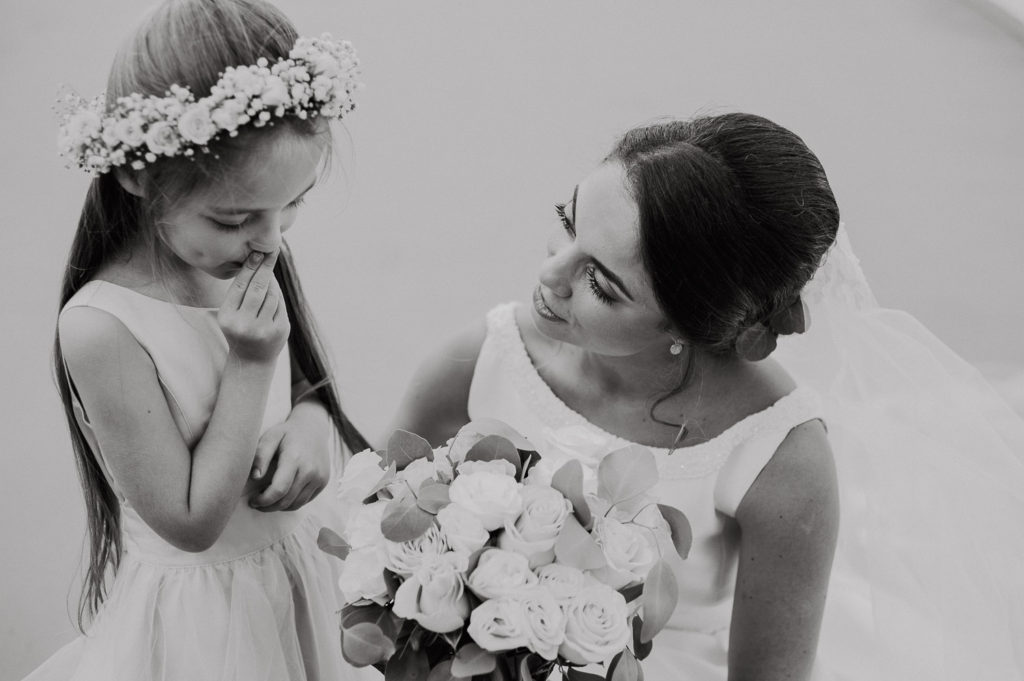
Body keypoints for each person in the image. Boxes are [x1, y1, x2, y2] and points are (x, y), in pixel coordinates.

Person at [390, 113, 1024, 680]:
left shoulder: (781, 456)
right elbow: (383, 524)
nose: (550, 275)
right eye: (568, 223)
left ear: (691, 328)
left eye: (603, 285)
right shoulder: (490, 356)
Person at [28, 1, 373, 679]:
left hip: (304, 576)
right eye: (236, 216)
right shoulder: (102, 325)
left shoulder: (247, 250)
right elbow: (189, 521)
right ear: (138, 175)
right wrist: (249, 362)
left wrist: (308, 424)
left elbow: (308, 382)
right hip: (207, 622)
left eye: (293, 205)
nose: (271, 240)